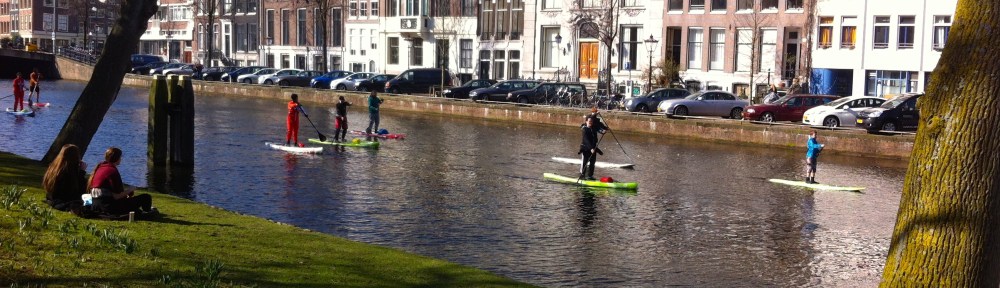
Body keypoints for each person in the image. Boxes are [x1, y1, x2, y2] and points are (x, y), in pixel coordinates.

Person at [88, 147, 154, 215]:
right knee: (146, 197)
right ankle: (147, 212)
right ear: (117, 158)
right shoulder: (112, 171)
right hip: (108, 207)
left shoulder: (100, 168)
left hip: (96, 205)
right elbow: (117, 196)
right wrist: (130, 190)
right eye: (120, 157)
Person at [42, 144, 88, 211]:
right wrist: (82, 171)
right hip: (65, 198)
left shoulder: (54, 167)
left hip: (53, 196)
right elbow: (78, 188)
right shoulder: (69, 170)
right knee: (89, 196)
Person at [578, 115, 606, 180]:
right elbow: (586, 140)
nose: (591, 122)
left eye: (591, 121)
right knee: (585, 162)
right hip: (586, 148)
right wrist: (591, 148)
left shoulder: (593, 128)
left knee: (592, 163)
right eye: (589, 121)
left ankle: (590, 176)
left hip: (593, 149)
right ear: (586, 122)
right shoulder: (585, 129)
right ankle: (582, 176)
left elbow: (600, 129)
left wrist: (604, 131)